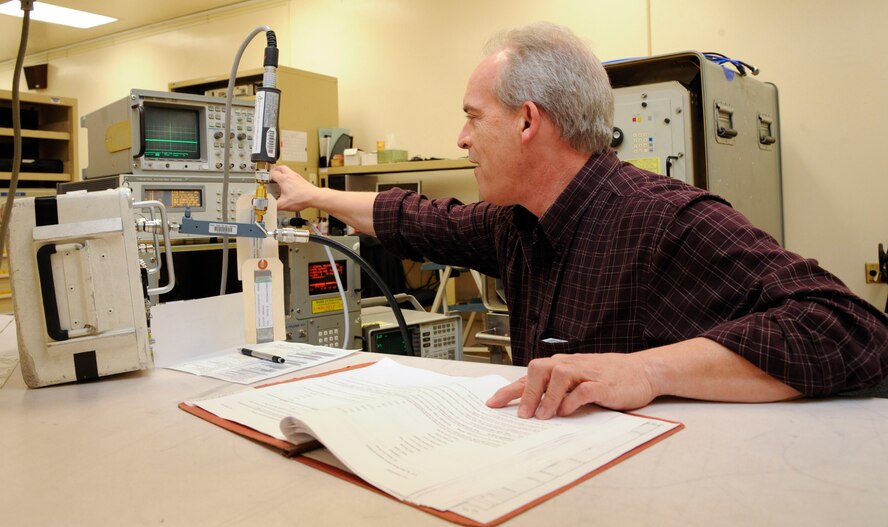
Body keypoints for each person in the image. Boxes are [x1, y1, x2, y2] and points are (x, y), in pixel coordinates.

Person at [271, 22, 888, 419]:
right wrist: (311, 194)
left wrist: (649, 369)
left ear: (527, 121)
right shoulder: (515, 224)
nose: (461, 139)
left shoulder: (662, 220)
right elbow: (420, 218)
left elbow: (851, 329)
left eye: (473, 117)